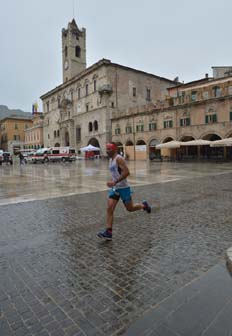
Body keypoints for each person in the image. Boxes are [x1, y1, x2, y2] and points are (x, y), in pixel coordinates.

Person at [97, 142, 151, 240]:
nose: (107, 151)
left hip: (124, 188)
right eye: (107, 149)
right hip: (115, 188)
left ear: (114, 149)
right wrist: (113, 183)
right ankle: (108, 232)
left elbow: (127, 172)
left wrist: (115, 181)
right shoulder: (111, 159)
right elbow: (115, 173)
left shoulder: (119, 159)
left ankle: (144, 205)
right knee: (109, 208)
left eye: (109, 149)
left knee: (130, 208)